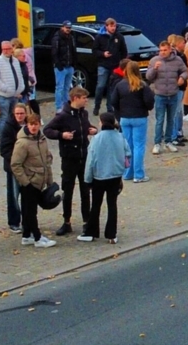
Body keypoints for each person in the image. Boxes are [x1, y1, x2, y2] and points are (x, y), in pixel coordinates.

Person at [44, 86, 97, 237]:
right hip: (69, 158)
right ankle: (66, 222)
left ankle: (87, 221)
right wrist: (62, 135)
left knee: (85, 190)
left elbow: (85, 127)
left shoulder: (84, 114)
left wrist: (92, 130)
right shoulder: (62, 115)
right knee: (68, 190)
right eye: (84, 98)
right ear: (75, 98)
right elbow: (47, 130)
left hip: (84, 156)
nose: (86, 100)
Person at [9, 113, 57, 248]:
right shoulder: (22, 143)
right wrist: (26, 182)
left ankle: (26, 236)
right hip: (30, 182)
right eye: (31, 124)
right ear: (27, 125)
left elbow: (47, 161)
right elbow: (15, 164)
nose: (33, 127)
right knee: (30, 211)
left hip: (39, 180)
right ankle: (37, 237)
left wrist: (50, 181)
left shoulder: (42, 140)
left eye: (36, 124)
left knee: (29, 210)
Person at [80, 113, 127, 244]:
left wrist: (87, 179)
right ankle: (112, 234)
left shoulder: (96, 139)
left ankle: (91, 232)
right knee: (112, 205)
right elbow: (127, 153)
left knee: (96, 205)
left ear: (102, 123)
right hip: (115, 176)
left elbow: (90, 161)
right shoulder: (120, 137)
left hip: (99, 177)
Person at [112, 61, 154, 182]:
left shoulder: (120, 85)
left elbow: (114, 102)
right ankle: (138, 174)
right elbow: (149, 102)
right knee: (139, 146)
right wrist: (145, 108)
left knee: (128, 146)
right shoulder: (142, 85)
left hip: (125, 118)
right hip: (139, 117)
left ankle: (128, 173)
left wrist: (119, 114)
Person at [146, 40, 188, 154]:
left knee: (171, 119)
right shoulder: (154, 60)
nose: (162, 52)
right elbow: (148, 77)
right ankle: (157, 143)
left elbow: (185, 71)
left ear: (170, 49)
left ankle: (168, 141)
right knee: (159, 120)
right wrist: (154, 68)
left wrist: (182, 78)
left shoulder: (177, 60)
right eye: (161, 50)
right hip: (160, 94)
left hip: (173, 94)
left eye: (165, 50)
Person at [0, 40, 25, 141]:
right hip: (3, 95)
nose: (6, 51)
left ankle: (15, 137)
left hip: (15, 95)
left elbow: (19, 75)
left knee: (14, 118)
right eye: (4, 49)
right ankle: (3, 139)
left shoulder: (15, 61)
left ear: (12, 49)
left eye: (8, 49)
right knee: (4, 118)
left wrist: (20, 88)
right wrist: (5, 88)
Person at [0, 103, 27, 232]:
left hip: (28, 167)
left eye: (22, 113)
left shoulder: (29, 125)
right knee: (14, 196)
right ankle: (14, 222)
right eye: (17, 114)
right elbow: (4, 150)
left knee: (28, 195)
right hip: (13, 167)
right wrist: (17, 160)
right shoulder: (8, 128)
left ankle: (28, 220)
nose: (20, 116)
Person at [93, 18, 128, 116]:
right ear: (106, 26)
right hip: (103, 65)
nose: (113, 28)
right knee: (100, 86)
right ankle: (97, 106)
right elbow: (94, 51)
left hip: (115, 66)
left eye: (114, 26)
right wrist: (103, 54)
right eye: (111, 26)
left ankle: (110, 107)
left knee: (112, 88)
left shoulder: (119, 37)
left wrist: (122, 63)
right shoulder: (99, 37)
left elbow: (124, 51)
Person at [51, 21, 76, 110]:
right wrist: (59, 65)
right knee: (59, 88)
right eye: (67, 28)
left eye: (69, 28)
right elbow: (54, 53)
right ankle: (59, 107)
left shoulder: (71, 37)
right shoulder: (57, 38)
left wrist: (73, 64)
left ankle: (66, 106)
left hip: (69, 66)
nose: (68, 29)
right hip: (61, 68)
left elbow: (73, 51)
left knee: (67, 88)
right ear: (62, 27)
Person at [12, 39, 39, 115]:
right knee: (31, 100)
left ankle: (37, 117)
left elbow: (24, 74)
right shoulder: (25, 54)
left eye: (12, 46)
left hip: (29, 81)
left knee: (31, 101)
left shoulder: (22, 57)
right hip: (30, 80)